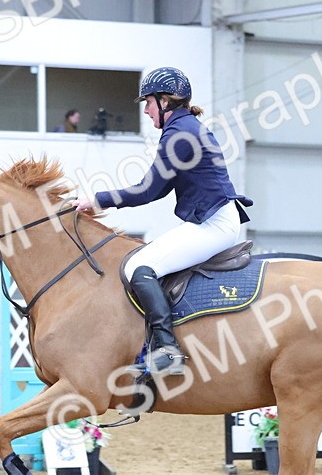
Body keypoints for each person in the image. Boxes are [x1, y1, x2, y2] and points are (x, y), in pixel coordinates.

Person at [75, 67, 252, 374]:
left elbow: (149, 190)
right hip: (211, 220)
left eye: (149, 102)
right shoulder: (184, 128)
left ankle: (168, 349)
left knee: (138, 267)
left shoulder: (180, 133)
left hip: (214, 225)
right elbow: (159, 189)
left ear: (166, 101)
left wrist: (98, 200)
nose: (145, 109)